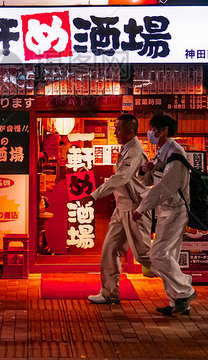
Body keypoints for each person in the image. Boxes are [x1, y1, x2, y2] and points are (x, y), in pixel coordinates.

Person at [80, 113, 154, 304]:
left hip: (134, 208)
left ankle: (180, 283)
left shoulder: (135, 151)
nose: (114, 132)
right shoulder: (126, 149)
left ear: (129, 132)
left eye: (118, 129)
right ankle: (109, 293)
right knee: (110, 250)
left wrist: (94, 195)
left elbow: (120, 178)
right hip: (122, 207)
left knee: (143, 254)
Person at [132, 113, 197, 316]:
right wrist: (145, 170)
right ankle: (178, 303)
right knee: (170, 257)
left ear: (164, 131)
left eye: (153, 129)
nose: (150, 133)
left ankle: (185, 290)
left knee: (157, 254)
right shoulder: (162, 153)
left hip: (175, 212)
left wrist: (142, 208)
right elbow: (149, 181)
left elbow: (164, 189)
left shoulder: (176, 156)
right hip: (166, 212)